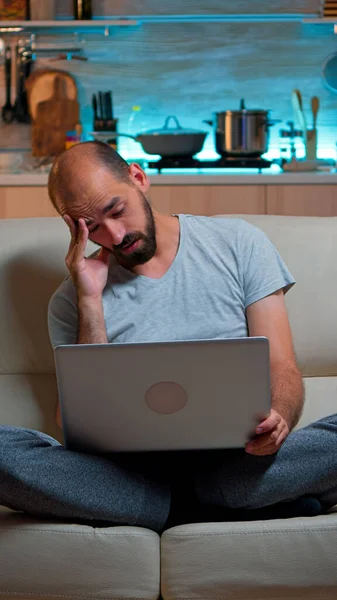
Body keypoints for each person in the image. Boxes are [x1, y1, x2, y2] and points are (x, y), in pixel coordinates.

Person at [1, 141, 336, 533]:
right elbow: (78, 425)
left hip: (240, 461)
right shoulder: (71, 301)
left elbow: (282, 366)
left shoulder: (239, 243)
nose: (114, 234)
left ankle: (175, 505)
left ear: (139, 178)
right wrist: (90, 300)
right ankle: (214, 503)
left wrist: (278, 418)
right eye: (92, 228)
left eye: (116, 211)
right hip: (128, 475)